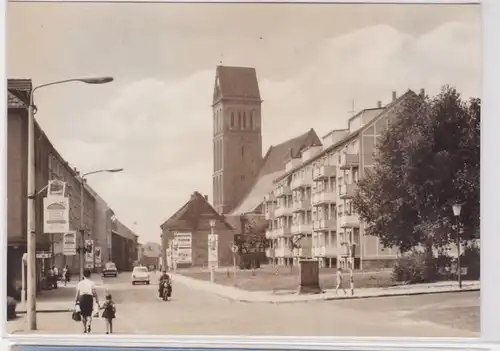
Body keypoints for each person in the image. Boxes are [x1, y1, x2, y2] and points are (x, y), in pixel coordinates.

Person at [75, 269, 100, 333]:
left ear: (83, 275)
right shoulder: (92, 283)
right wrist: (97, 300)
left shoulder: (80, 283)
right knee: (89, 313)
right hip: (89, 298)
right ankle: (89, 324)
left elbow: (77, 293)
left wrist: (76, 301)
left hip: (82, 298)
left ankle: (84, 328)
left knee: (83, 314)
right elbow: (94, 293)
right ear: (90, 275)